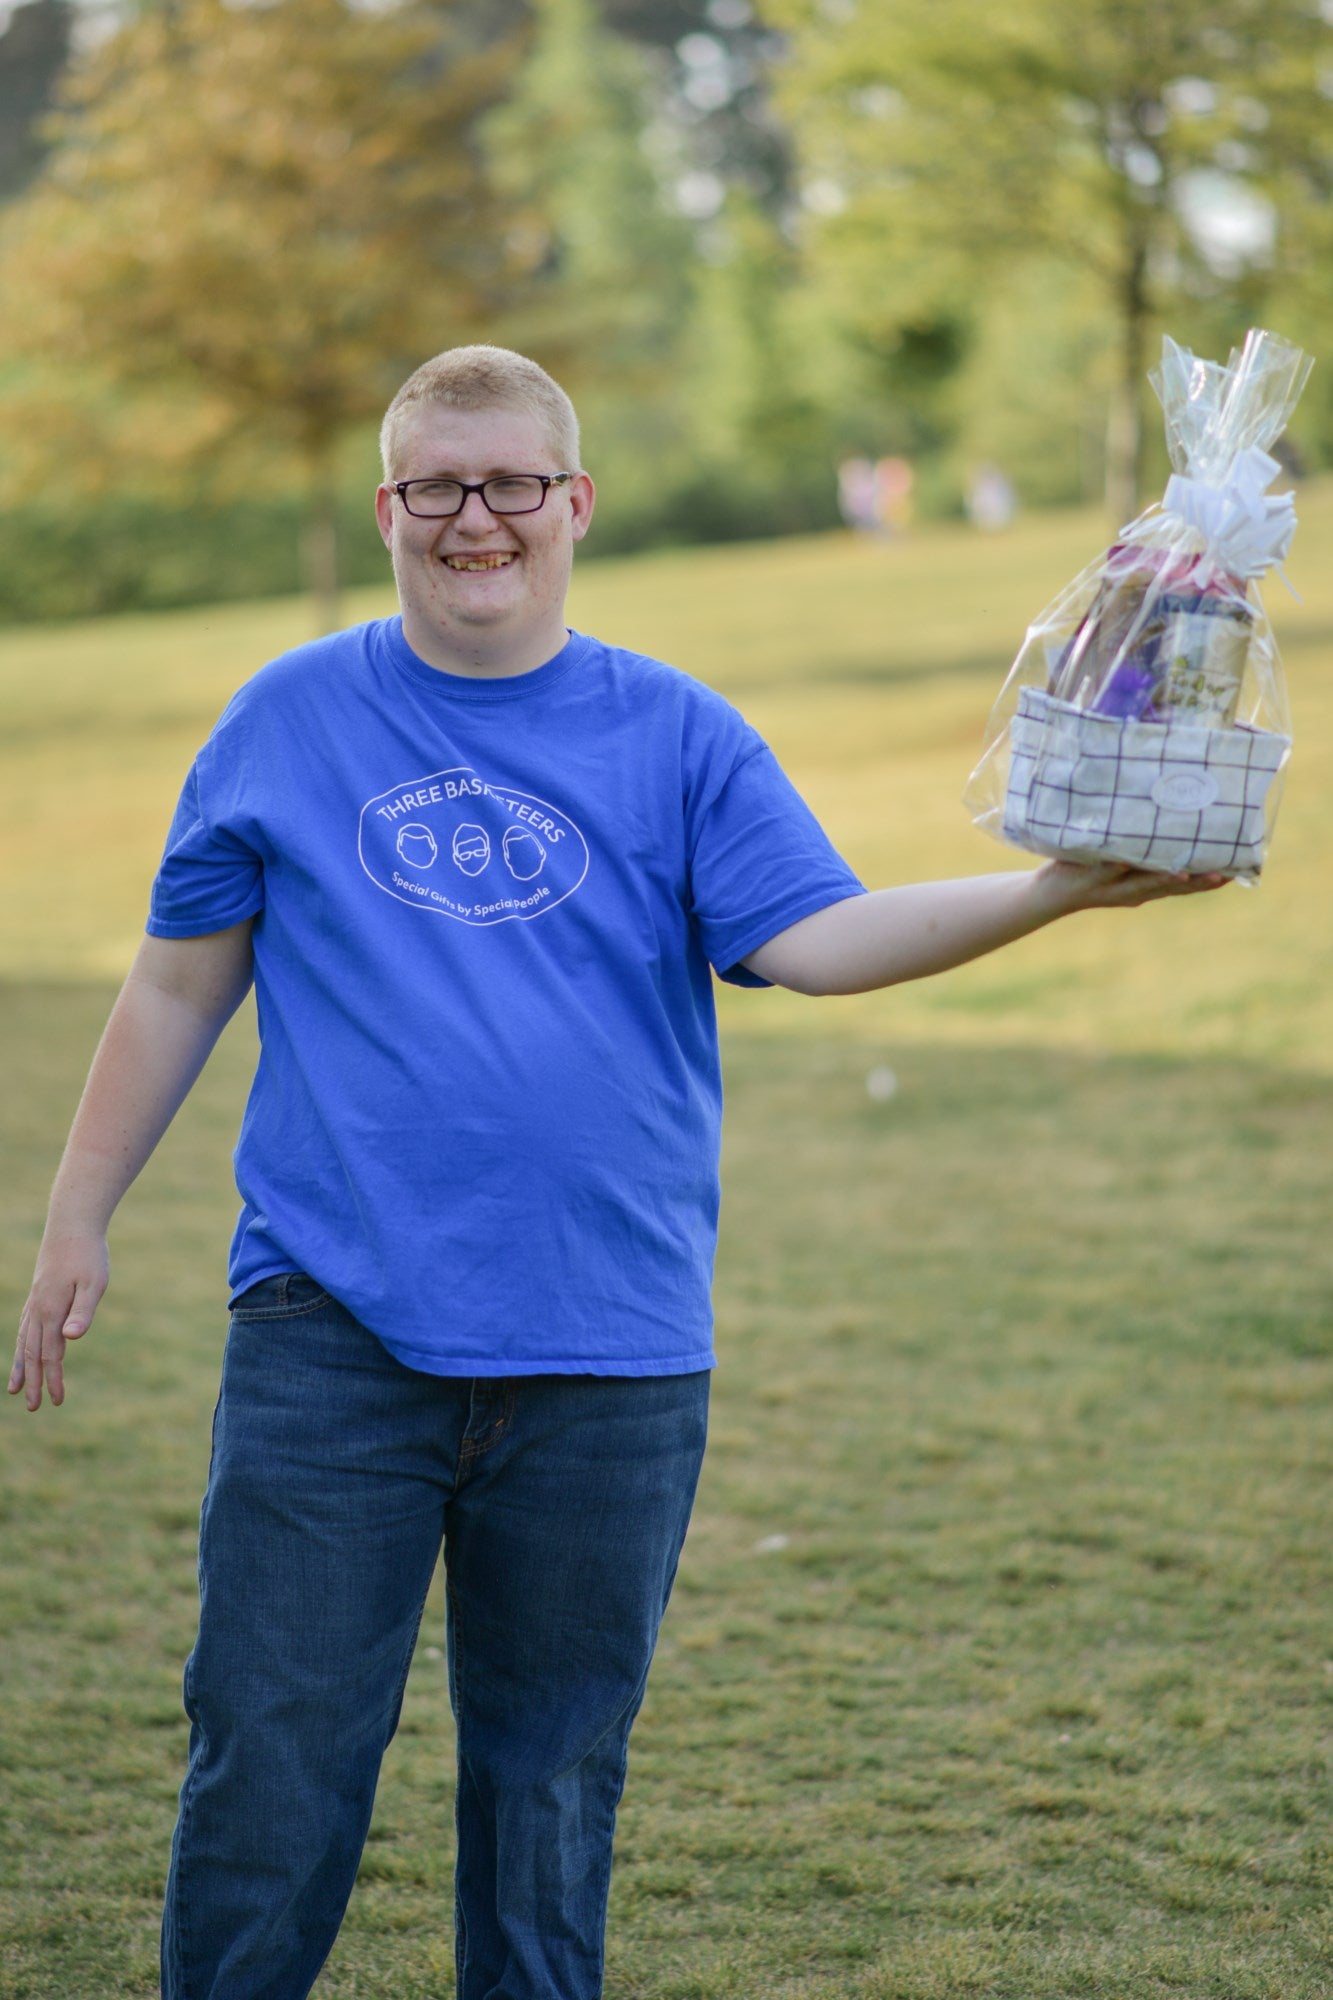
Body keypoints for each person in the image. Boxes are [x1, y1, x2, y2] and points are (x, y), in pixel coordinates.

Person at [9, 345, 1225, 2000]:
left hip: (609, 1349)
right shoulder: (283, 720)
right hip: (330, 1334)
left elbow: (819, 937)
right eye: (436, 485)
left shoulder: (675, 731)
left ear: (574, 503)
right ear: (387, 510)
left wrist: (1054, 892)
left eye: (512, 482)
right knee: (270, 1768)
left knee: (550, 1793)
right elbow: (173, 983)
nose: (475, 518)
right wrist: (77, 1213)